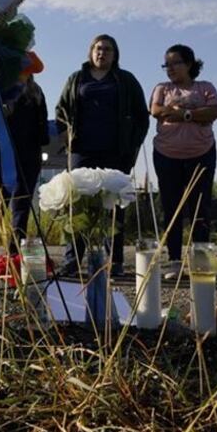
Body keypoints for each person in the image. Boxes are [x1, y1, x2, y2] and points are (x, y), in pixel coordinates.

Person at [55, 34, 150, 277]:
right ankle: (73, 260)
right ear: (91, 52)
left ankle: (114, 261)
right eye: (98, 48)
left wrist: (132, 144)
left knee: (115, 205)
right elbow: (61, 111)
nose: (102, 53)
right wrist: (66, 135)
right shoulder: (77, 79)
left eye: (108, 49)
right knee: (77, 204)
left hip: (115, 152)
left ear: (115, 54)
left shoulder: (125, 80)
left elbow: (142, 115)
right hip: (82, 151)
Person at [150, 44, 217, 264]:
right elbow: (156, 110)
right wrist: (198, 115)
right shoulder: (162, 88)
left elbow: (216, 110)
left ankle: (200, 258)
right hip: (166, 155)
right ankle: (174, 258)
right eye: (167, 64)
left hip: (201, 154)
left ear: (189, 64)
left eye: (175, 63)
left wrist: (181, 114)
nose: (170, 68)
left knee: (200, 207)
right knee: (171, 207)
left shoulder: (205, 87)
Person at [0, 77, 50, 277]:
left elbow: (42, 122)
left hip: (30, 153)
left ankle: (15, 258)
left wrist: (43, 143)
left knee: (22, 206)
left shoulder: (36, 89)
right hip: (2, 152)